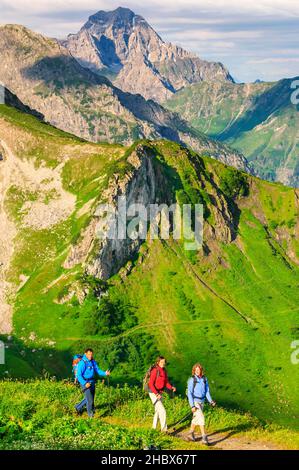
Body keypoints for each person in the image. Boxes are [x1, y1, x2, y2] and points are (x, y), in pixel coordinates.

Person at [75, 348, 110, 418]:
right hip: (85, 382)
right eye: (89, 354)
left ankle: (78, 407)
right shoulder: (82, 362)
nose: (90, 356)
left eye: (91, 354)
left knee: (90, 398)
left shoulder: (93, 361)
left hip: (92, 382)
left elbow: (98, 370)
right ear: (85, 354)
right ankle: (91, 416)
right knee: (90, 400)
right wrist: (85, 383)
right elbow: (78, 375)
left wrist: (105, 373)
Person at [187, 363, 216, 445]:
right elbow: (189, 393)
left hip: (202, 401)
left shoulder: (204, 379)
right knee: (201, 417)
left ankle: (190, 433)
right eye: (196, 370)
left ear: (201, 370)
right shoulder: (192, 380)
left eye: (198, 370)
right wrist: (192, 405)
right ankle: (204, 437)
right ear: (194, 371)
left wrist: (211, 401)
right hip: (195, 401)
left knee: (196, 419)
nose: (197, 371)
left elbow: (207, 391)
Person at [148, 356, 176, 432]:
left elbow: (166, 382)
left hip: (159, 392)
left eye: (164, 362)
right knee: (162, 411)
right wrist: (156, 394)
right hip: (153, 392)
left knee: (158, 411)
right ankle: (164, 430)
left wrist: (171, 387)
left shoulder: (164, 371)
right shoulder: (155, 370)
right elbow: (150, 384)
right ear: (158, 362)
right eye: (161, 362)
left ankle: (153, 429)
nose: (163, 364)